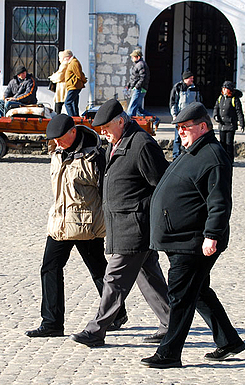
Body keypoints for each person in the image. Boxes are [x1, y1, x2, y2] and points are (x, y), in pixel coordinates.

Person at [141, 102, 245, 369]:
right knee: (197, 291)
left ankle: (169, 353)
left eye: (186, 128)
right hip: (181, 239)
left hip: (194, 242)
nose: (181, 133)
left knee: (180, 296)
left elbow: (220, 202)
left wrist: (211, 235)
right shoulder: (193, 150)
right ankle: (229, 341)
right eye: (179, 128)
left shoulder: (213, 156)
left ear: (203, 126)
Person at [69, 99, 170, 347]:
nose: (102, 133)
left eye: (105, 127)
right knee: (149, 278)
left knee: (113, 279)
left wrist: (150, 217)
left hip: (135, 225)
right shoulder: (115, 144)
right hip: (121, 223)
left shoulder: (142, 144)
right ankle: (171, 323)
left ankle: (96, 330)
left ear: (121, 121)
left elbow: (163, 184)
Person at [25, 114, 126, 338]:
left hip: (86, 225)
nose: (57, 144)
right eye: (54, 140)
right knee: (49, 268)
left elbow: (106, 193)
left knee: (98, 270)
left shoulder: (95, 156)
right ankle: (52, 323)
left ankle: (116, 314)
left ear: (73, 131)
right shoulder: (57, 151)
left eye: (60, 139)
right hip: (60, 223)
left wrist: (111, 221)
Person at [169, 70, 202, 159]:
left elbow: (198, 101)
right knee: (178, 138)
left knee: (190, 137)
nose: (192, 80)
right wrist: (174, 115)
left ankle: (186, 156)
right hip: (180, 117)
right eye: (190, 78)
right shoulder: (177, 87)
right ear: (185, 79)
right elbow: (173, 102)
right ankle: (176, 156)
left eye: (192, 78)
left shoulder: (195, 88)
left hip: (191, 117)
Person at [213, 81, 245, 163]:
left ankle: (229, 160)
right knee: (222, 143)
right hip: (222, 125)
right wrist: (216, 116)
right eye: (223, 88)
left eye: (225, 89)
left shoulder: (234, 99)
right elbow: (216, 108)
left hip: (230, 125)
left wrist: (242, 123)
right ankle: (222, 160)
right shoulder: (221, 98)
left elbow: (239, 112)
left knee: (229, 144)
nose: (224, 90)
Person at [125, 49, 152, 118]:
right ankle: (154, 119)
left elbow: (142, 77)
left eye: (133, 57)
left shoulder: (141, 65)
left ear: (138, 57)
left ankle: (129, 122)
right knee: (138, 109)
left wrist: (137, 87)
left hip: (140, 89)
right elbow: (134, 77)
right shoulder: (138, 65)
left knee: (132, 108)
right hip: (139, 88)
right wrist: (129, 85)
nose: (132, 58)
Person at [63, 50, 87, 117]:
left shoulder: (74, 62)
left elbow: (79, 74)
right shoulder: (72, 62)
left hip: (74, 86)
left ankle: (72, 117)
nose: (64, 59)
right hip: (73, 86)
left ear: (68, 56)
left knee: (67, 103)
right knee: (74, 103)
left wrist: (84, 80)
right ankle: (76, 117)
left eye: (65, 57)